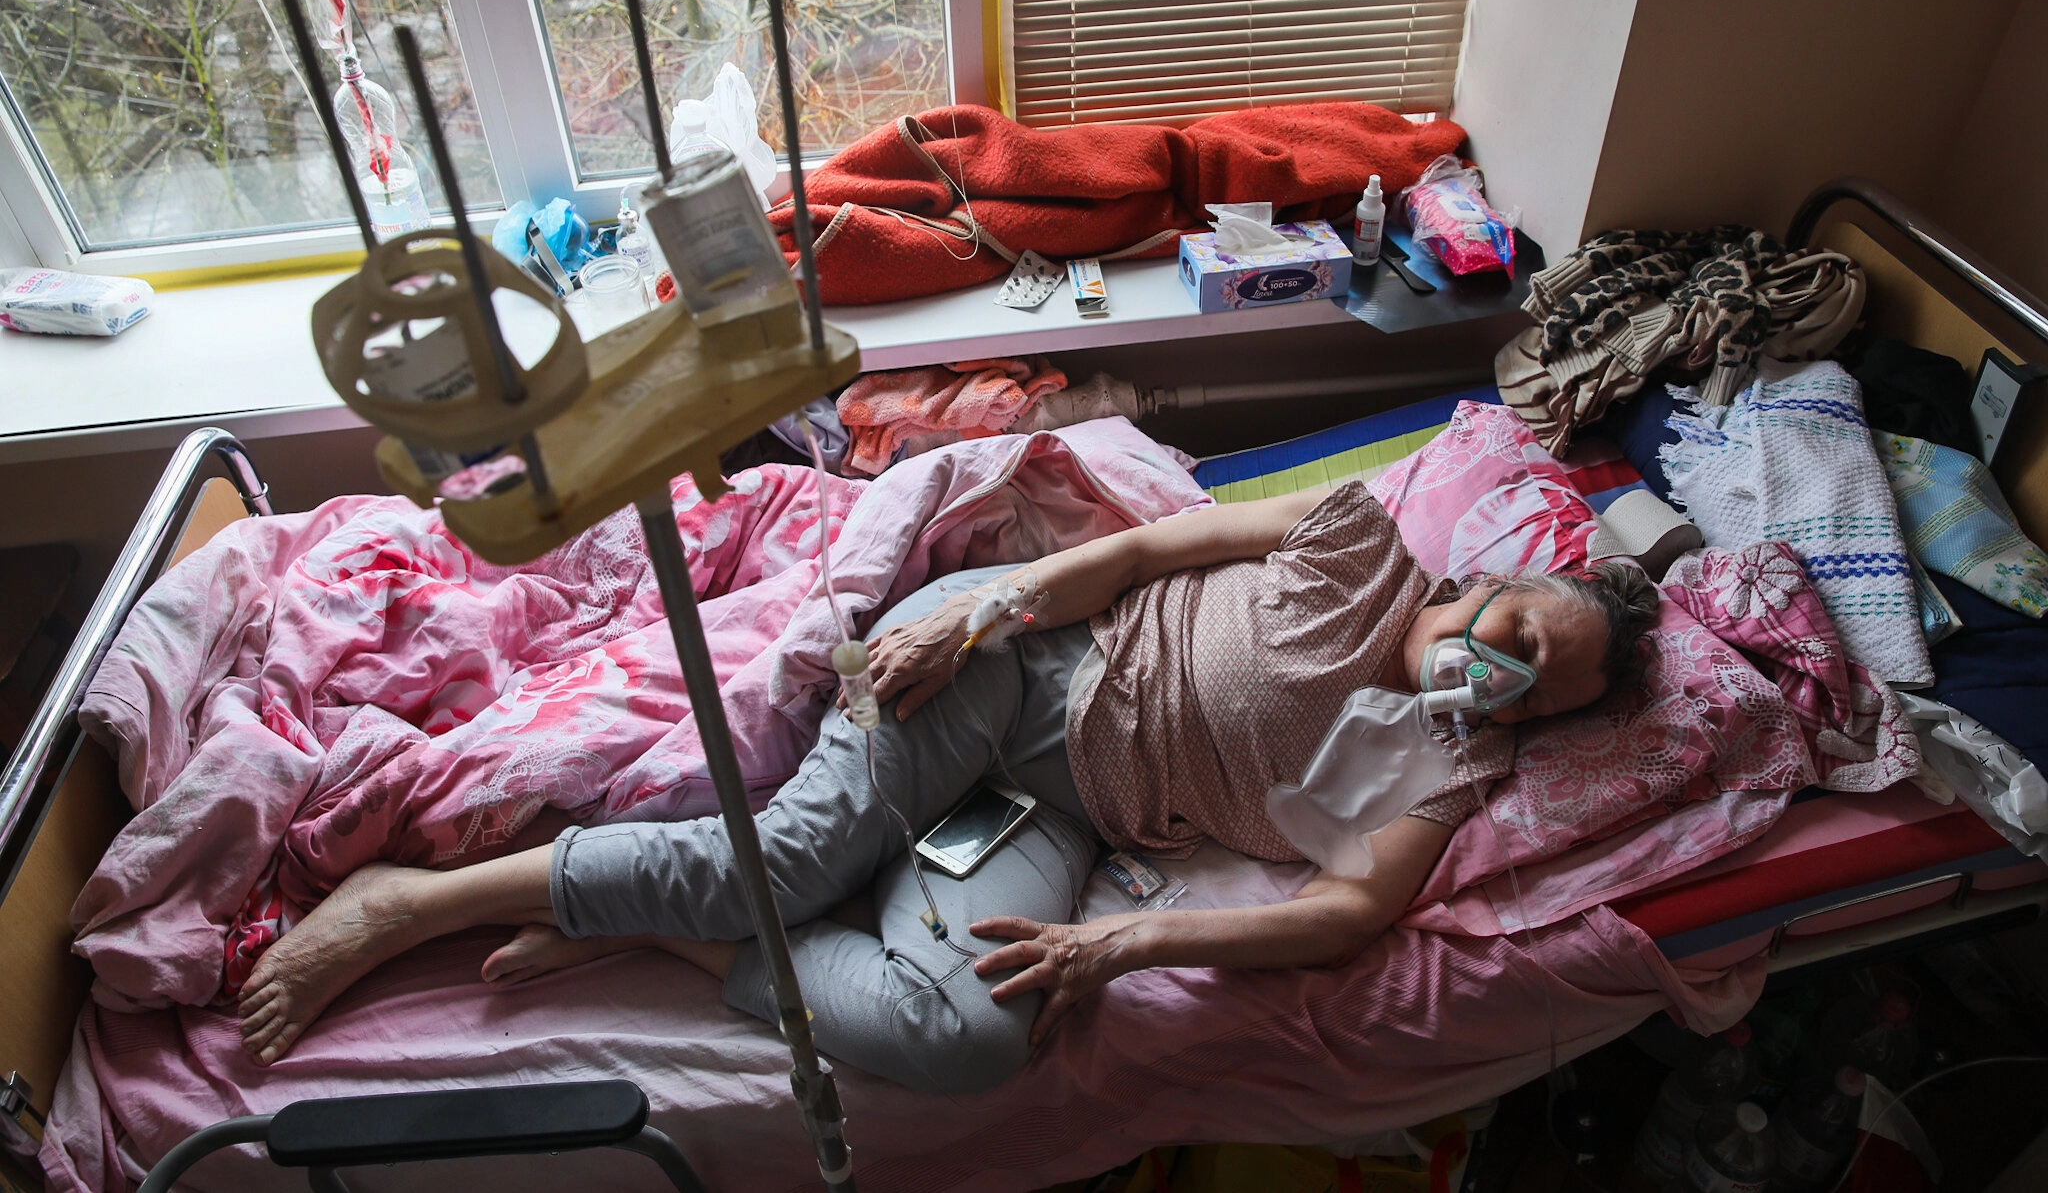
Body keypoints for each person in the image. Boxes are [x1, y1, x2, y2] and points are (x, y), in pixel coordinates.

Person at [236, 480, 1657, 1089]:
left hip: (1068, 814)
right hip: (1019, 663)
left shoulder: (1457, 765)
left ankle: (675, 935)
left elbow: (1347, 912)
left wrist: (1122, 937)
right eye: (1523, 641)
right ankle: (408, 901)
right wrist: (976, 616)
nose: (1509, 681)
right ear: (1493, 588)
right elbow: (1148, 550)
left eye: (1549, 692)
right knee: (784, 864)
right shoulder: (1359, 539)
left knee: (978, 1034)